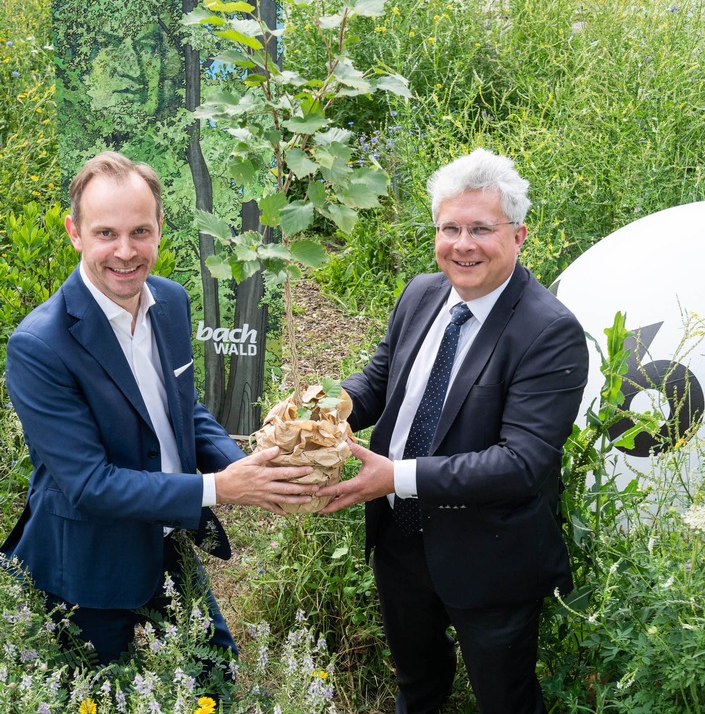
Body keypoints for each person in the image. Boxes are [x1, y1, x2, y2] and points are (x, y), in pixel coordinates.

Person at [1, 151, 318, 668]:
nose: (125, 252)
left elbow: (182, 410)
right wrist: (220, 489)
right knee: (107, 694)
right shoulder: (39, 345)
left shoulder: (170, 301)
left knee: (217, 678)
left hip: (167, 540)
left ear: (159, 228)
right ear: (74, 232)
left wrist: (238, 464)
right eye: (106, 233)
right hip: (90, 565)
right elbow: (89, 485)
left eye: (140, 232)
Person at [317, 148, 589, 714]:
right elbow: (381, 379)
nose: (462, 244)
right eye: (450, 228)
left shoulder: (549, 331)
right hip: (399, 540)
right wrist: (323, 408)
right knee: (417, 687)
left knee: (504, 701)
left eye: (481, 229)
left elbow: (522, 463)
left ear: (518, 237)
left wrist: (396, 476)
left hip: (490, 555)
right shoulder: (422, 293)